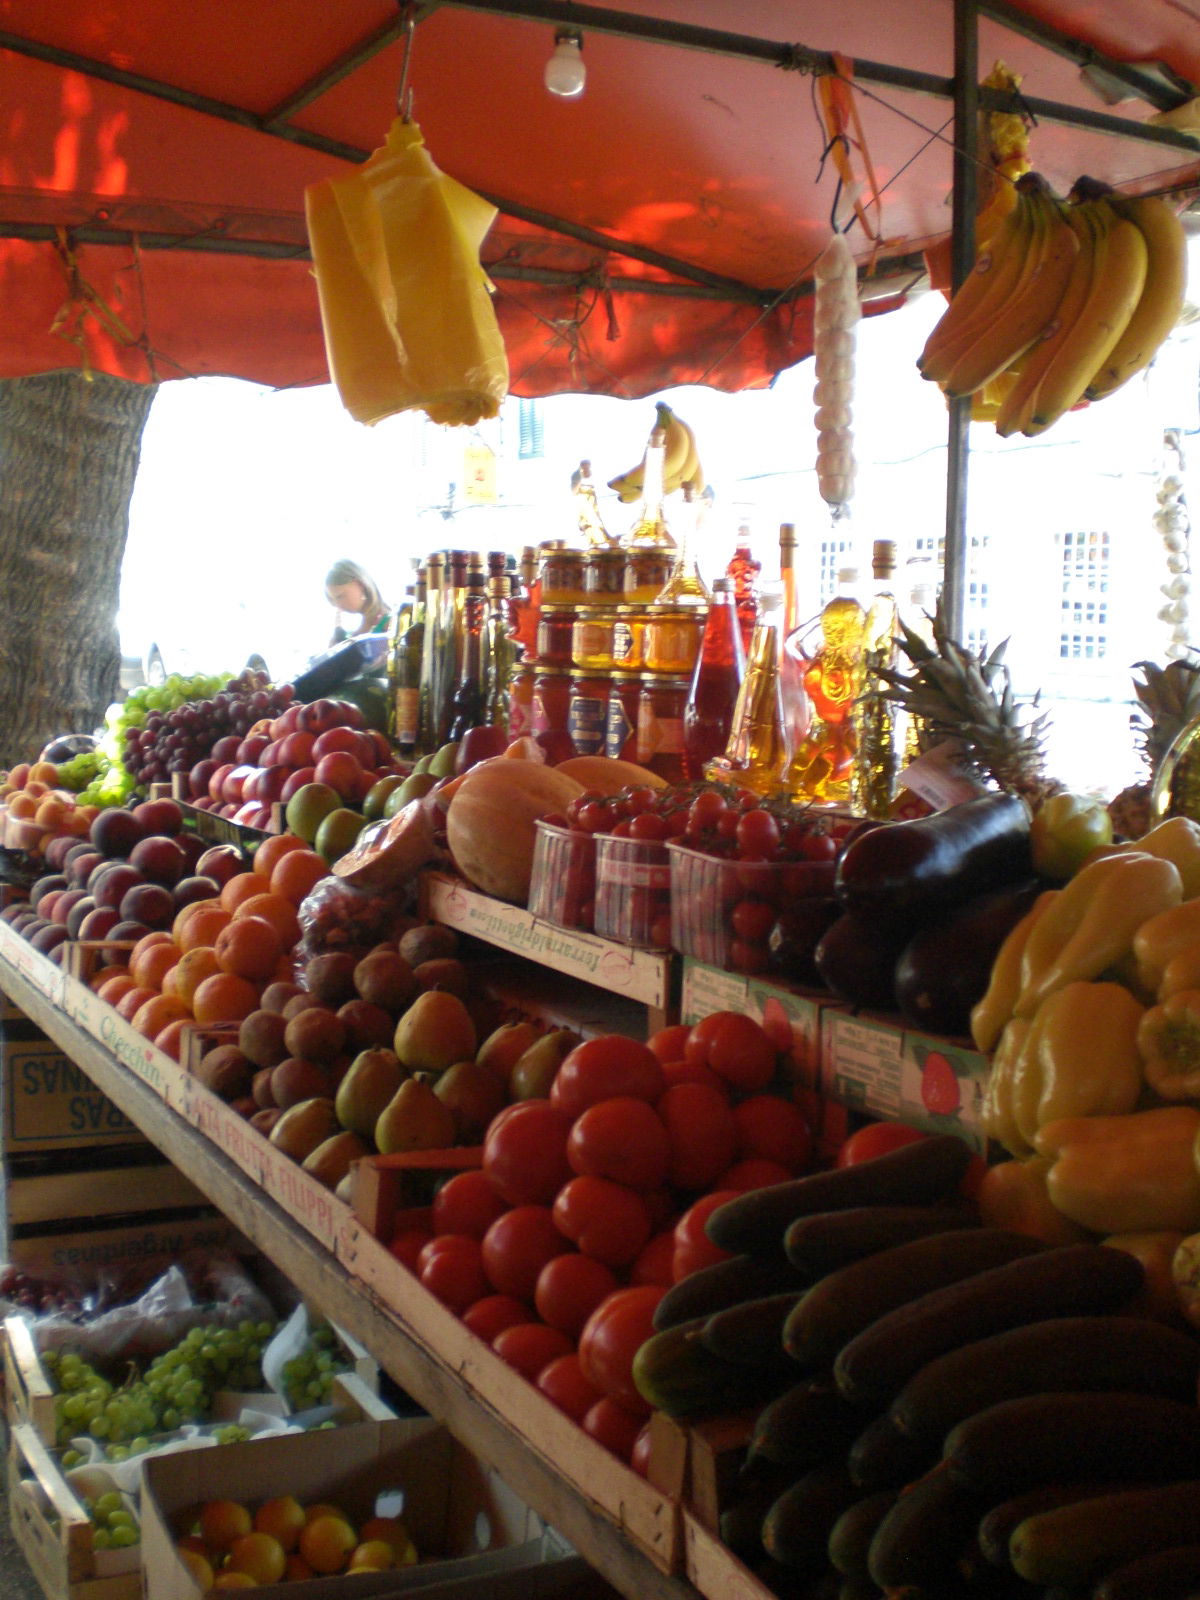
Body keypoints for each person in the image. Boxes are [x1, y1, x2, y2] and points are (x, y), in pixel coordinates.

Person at [324, 560, 391, 647]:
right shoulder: (350, 634)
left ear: (360, 585)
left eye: (340, 596)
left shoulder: (389, 624)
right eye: (333, 600)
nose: (338, 605)